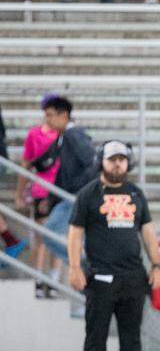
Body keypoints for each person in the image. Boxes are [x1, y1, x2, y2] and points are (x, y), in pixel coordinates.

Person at [67, 141, 160, 351]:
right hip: (99, 276)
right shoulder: (88, 194)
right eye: (112, 159)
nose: (117, 164)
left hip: (133, 276)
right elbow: (75, 234)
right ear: (102, 161)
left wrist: (157, 264)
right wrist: (75, 267)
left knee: (131, 336)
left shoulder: (136, 193)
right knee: (96, 334)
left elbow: (148, 231)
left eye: (121, 159)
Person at [40, 96, 96, 265]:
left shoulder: (74, 135)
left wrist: (83, 194)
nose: (47, 120)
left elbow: (91, 162)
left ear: (63, 115)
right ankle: (87, 267)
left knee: (50, 234)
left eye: (50, 115)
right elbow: (61, 173)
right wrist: (50, 199)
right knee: (80, 239)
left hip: (75, 197)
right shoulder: (64, 137)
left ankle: (84, 264)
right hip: (72, 196)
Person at [17, 97, 61, 298]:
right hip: (41, 191)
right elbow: (26, 165)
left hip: (60, 191)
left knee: (58, 238)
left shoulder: (66, 136)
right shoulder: (34, 134)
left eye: (54, 114)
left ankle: (53, 280)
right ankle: (38, 279)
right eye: (48, 114)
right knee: (42, 236)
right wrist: (19, 193)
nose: (50, 118)